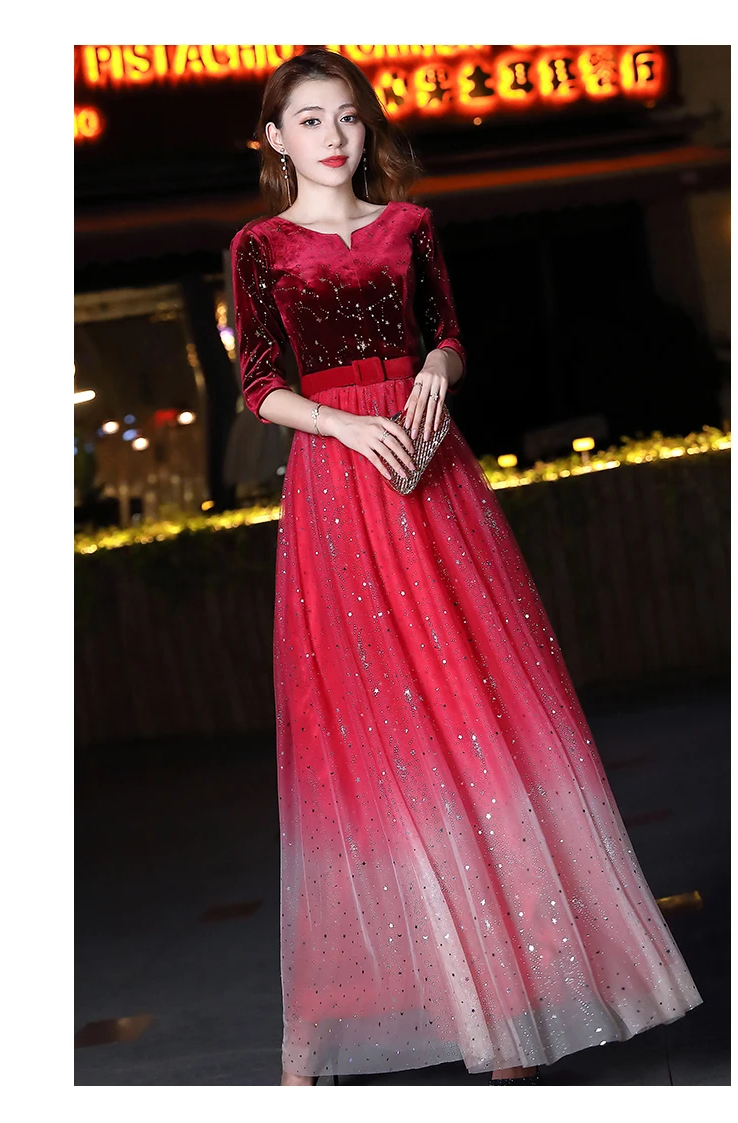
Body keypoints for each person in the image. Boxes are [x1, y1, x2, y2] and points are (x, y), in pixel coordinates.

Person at [230, 47, 703, 1087]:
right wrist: (345, 428)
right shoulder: (258, 246)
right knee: (369, 730)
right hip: (340, 485)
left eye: (346, 116)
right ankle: (329, 1029)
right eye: (309, 120)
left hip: (432, 473)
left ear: (365, 126)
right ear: (275, 140)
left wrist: (436, 375)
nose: (332, 136)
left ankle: (511, 1007)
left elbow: (445, 335)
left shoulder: (410, 226)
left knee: (477, 710)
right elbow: (258, 383)